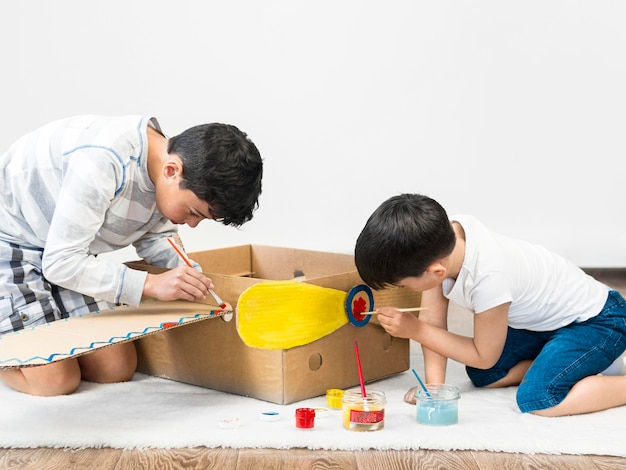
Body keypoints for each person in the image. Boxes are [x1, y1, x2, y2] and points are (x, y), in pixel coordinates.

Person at [0, 115, 263, 396]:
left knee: (116, 367)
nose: (192, 224)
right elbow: (61, 263)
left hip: (64, 251)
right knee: (55, 381)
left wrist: (193, 276)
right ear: (173, 171)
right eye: (194, 212)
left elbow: (155, 237)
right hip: (14, 246)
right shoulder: (103, 163)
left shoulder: (163, 165)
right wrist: (150, 284)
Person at [354, 193, 626, 417]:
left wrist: (414, 330)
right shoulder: (442, 239)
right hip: (546, 322)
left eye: (403, 285)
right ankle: (571, 363)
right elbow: (434, 322)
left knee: (539, 399)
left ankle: (608, 374)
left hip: (599, 321)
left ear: (435, 272)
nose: (405, 291)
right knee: (484, 374)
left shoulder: (489, 279)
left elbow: (481, 353)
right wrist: (433, 387)